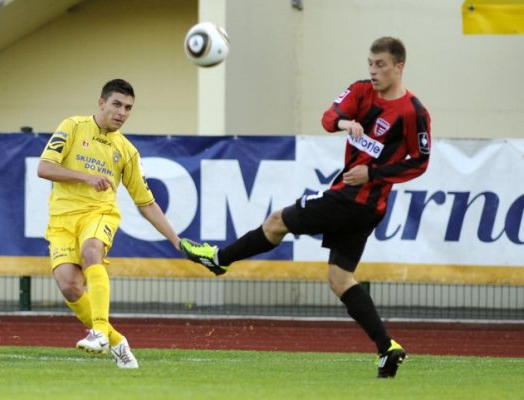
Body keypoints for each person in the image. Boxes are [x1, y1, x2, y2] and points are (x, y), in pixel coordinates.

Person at [180, 37, 431, 378]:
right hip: (363, 207)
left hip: (354, 199)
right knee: (340, 279)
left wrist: (373, 173)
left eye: (381, 65)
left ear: (399, 66)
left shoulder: (413, 111)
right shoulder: (361, 91)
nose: (373, 70)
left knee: (276, 221)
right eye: (370, 63)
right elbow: (329, 117)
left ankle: (219, 259)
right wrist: (344, 124)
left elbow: (419, 162)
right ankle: (387, 348)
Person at [38, 79, 181, 369]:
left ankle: (99, 331)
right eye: (117, 104)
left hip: (99, 213)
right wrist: (86, 177)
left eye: (128, 108)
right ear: (101, 103)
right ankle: (117, 342)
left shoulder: (127, 151)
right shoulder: (72, 126)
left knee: (92, 251)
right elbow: (44, 168)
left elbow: (147, 203)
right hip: (62, 219)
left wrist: (176, 241)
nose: (122, 112)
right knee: (70, 287)